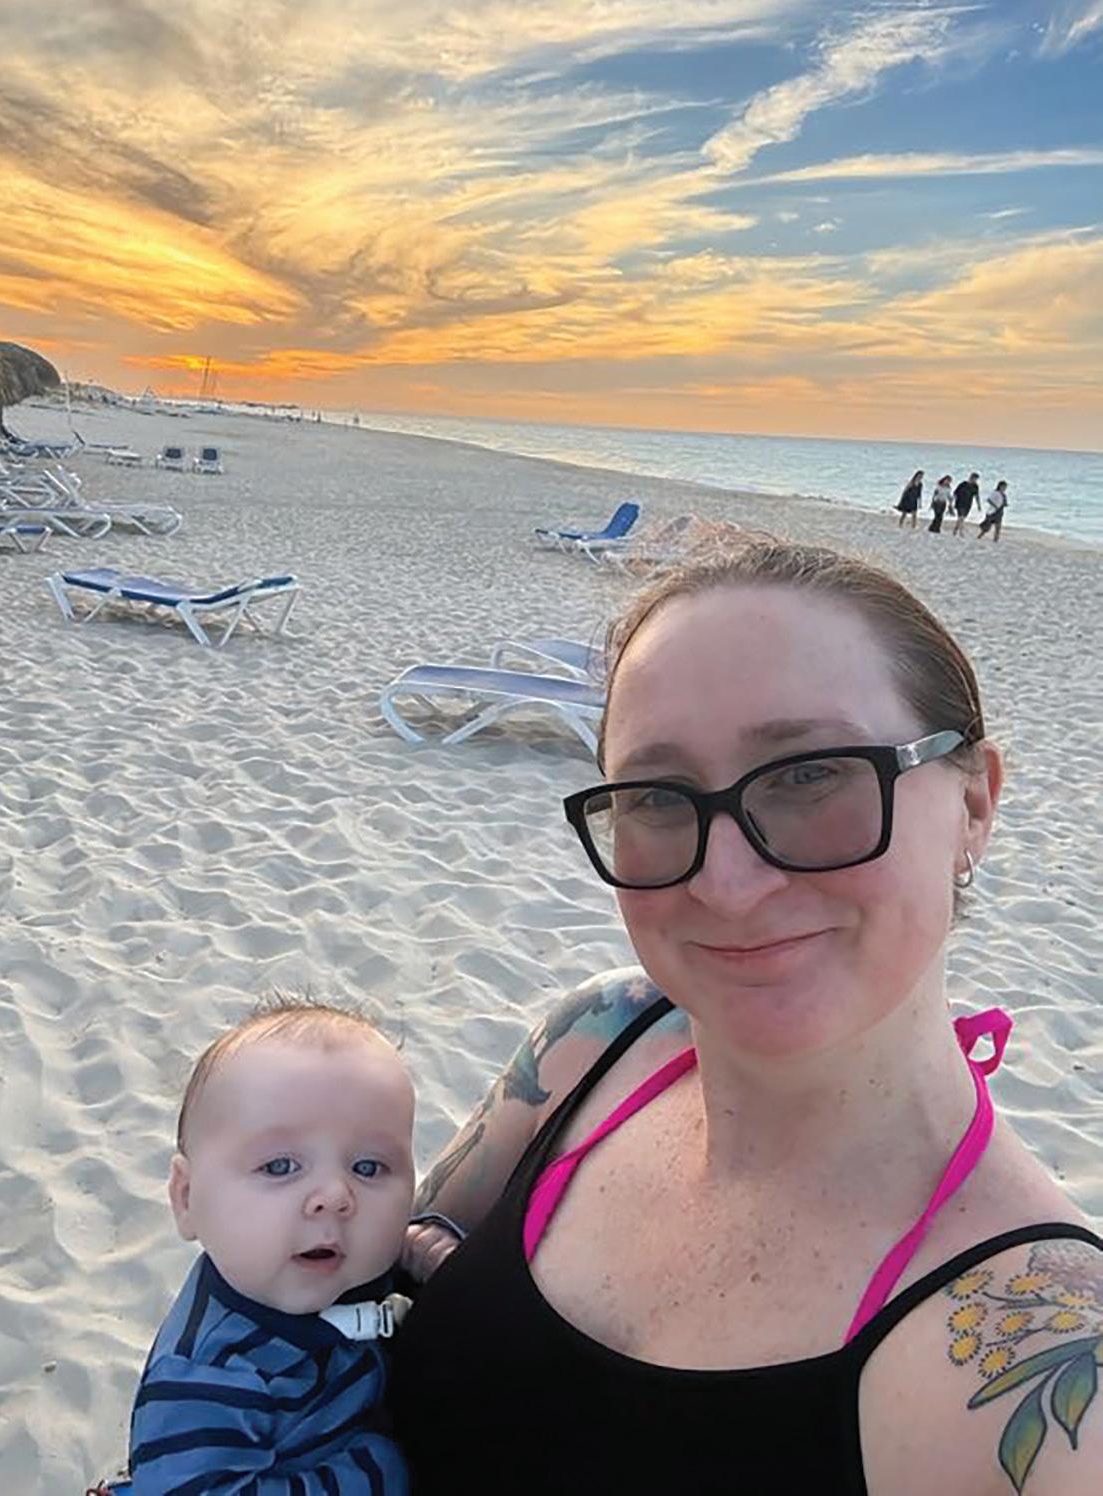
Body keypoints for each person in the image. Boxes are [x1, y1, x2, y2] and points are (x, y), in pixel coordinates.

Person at [391, 533, 1101, 1495]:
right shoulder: (595, 1044)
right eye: (658, 796)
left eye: (811, 775)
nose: (727, 883)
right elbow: (350, 1271)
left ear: (974, 804)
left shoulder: (1039, 1365)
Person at [93, 1001, 415, 1495]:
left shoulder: (337, 1266)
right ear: (187, 1198)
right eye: (280, 1167)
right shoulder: (209, 1379)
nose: (335, 1195)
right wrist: (375, 1469)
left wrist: (424, 1241)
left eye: (368, 1168)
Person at [952, 471, 981, 536]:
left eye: (976, 479)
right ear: (971, 477)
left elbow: (976, 496)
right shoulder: (963, 484)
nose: (975, 480)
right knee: (961, 517)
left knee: (961, 518)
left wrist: (978, 505)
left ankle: (955, 529)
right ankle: (961, 532)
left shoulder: (975, 486)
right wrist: (952, 502)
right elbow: (955, 493)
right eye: (974, 479)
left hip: (968, 504)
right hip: (960, 503)